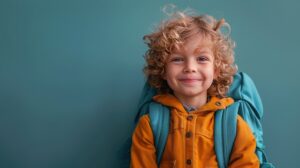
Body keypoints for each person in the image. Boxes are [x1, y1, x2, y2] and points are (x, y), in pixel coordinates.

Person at [130, 10, 259, 168]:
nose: (190, 68)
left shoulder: (233, 123)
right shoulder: (150, 124)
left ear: (216, 69)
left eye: (202, 59)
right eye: (177, 59)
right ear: (163, 70)